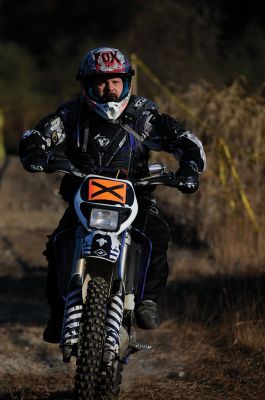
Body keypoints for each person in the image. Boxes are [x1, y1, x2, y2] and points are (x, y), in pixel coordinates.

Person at [18, 47, 206, 343]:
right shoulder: (71, 114)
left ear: (127, 82)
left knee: (156, 232)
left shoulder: (142, 114)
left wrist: (190, 167)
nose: (109, 89)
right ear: (86, 84)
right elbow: (37, 136)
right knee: (58, 244)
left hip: (135, 194)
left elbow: (183, 139)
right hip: (84, 196)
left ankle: (147, 301)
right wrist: (35, 153)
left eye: (116, 81)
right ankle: (58, 313)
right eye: (101, 82)